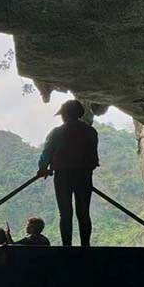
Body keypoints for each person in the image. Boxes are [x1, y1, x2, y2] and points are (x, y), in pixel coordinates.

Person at [38, 99, 99, 247]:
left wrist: (43, 168)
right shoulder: (90, 132)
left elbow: (47, 153)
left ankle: (67, 247)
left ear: (65, 114)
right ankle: (85, 246)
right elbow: (93, 155)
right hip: (84, 176)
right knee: (83, 212)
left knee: (65, 214)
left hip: (63, 176)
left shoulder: (57, 132)